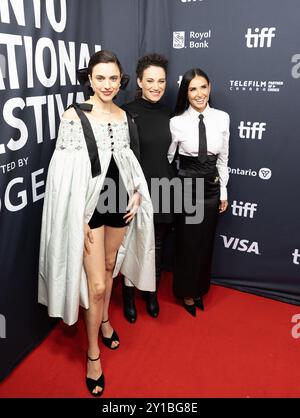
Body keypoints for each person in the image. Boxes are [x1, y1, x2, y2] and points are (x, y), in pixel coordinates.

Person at [38, 50, 155, 396]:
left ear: (121, 81)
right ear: (89, 79)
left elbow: (128, 161)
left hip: (119, 202)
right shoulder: (74, 116)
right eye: (99, 77)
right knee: (98, 286)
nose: (106, 84)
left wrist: (136, 194)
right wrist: (78, 218)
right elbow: (62, 175)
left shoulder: (124, 116)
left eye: (113, 78)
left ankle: (104, 320)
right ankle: (92, 354)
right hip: (88, 209)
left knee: (109, 266)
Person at [168, 68, 230, 316]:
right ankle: (185, 292)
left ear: (210, 88)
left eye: (203, 87)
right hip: (186, 189)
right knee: (187, 242)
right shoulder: (177, 122)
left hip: (212, 188)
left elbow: (223, 158)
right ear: (186, 92)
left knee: (205, 242)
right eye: (193, 89)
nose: (199, 93)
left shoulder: (222, 118)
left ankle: (199, 289)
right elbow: (170, 158)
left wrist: (223, 191)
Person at [122, 53, 174, 322]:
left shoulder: (171, 113)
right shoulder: (126, 112)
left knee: (158, 245)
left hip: (165, 189)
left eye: (161, 81)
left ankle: (150, 293)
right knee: (133, 245)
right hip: (136, 193)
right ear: (140, 81)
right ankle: (129, 296)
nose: (156, 86)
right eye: (150, 80)